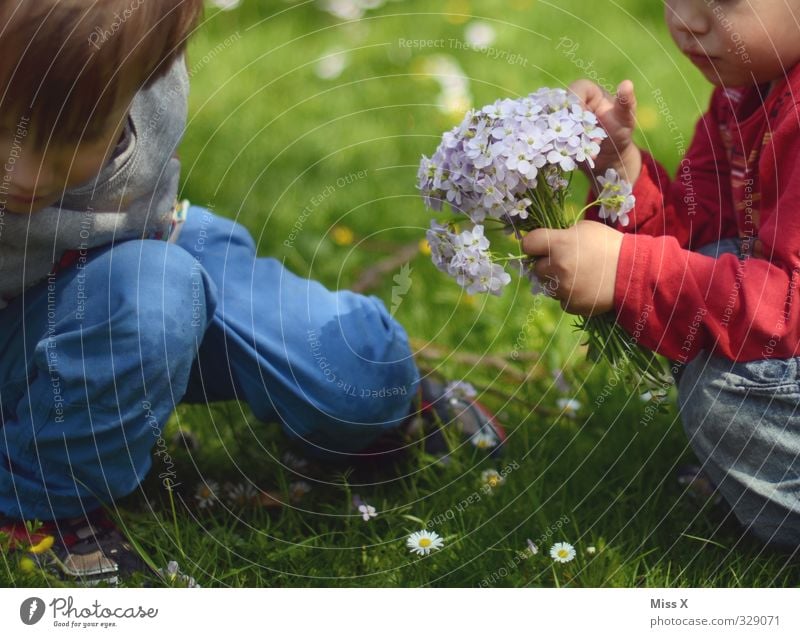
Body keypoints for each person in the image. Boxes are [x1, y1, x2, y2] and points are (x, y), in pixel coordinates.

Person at [0, 1, 505, 585]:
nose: (26, 173)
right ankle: (43, 504)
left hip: (150, 258)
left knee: (354, 376)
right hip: (46, 322)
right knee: (154, 293)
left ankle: (396, 398)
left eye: (78, 135)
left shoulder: (138, 61)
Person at [523, 0, 800, 551]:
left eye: (723, 1)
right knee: (715, 293)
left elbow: (787, 305)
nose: (688, 21)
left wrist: (629, 270)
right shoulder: (743, 98)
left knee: (728, 384)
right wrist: (615, 165)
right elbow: (697, 239)